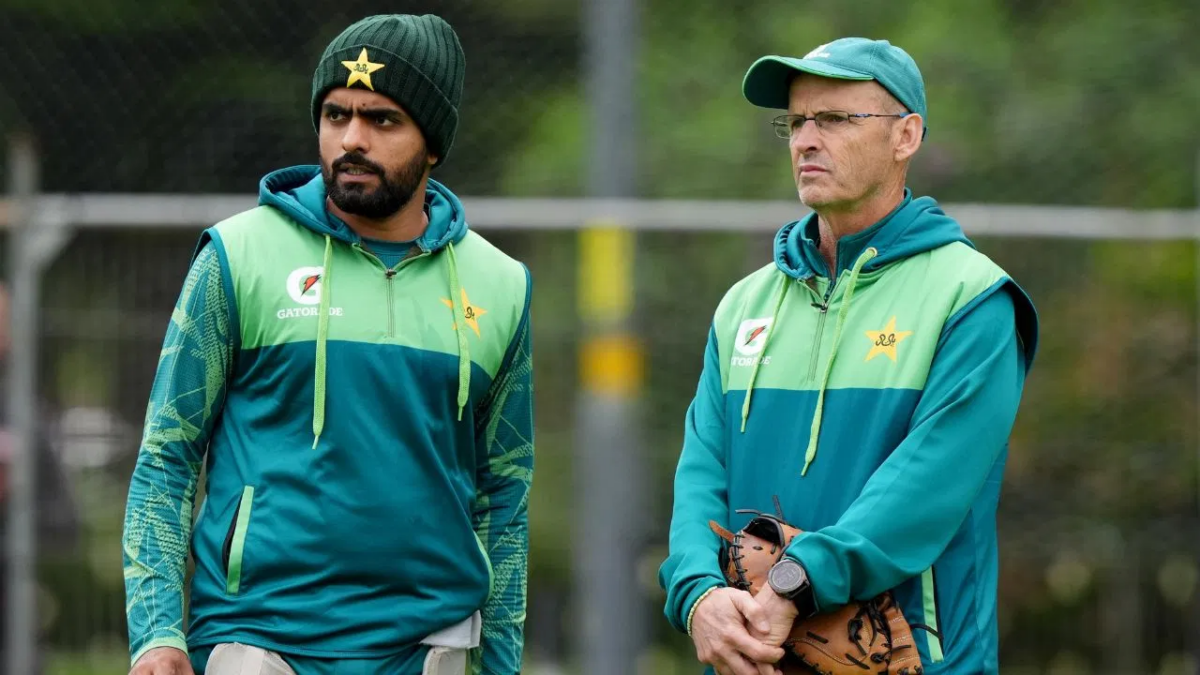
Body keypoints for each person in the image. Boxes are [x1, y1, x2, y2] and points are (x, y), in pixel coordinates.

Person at [122, 14, 534, 675]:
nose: (351, 139)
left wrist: (503, 664)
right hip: (256, 635)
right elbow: (165, 458)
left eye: (382, 119)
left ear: (433, 142)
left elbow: (505, 494)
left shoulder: (501, 285)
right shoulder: (237, 256)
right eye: (335, 114)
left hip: (429, 643)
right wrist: (157, 631)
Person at [658, 38, 1038, 675]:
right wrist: (698, 595)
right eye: (797, 121)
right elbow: (702, 474)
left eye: (835, 119)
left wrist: (796, 582)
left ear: (906, 136)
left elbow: (924, 488)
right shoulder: (743, 305)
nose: (806, 138)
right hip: (754, 656)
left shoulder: (971, 299)